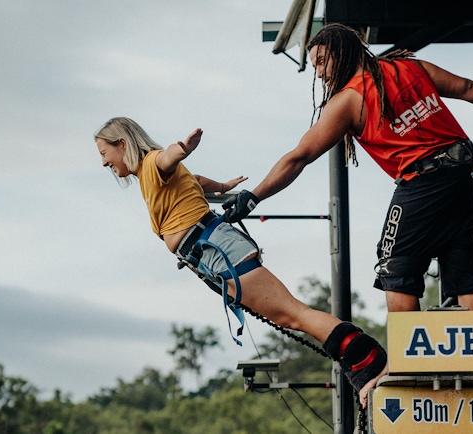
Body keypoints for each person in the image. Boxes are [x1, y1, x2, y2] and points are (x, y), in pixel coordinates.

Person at [95, 116, 387, 406]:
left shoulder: (153, 163)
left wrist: (182, 149)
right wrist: (221, 186)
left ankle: (369, 360)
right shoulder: (151, 177)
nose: (104, 163)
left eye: (104, 154)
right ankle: (363, 361)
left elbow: (168, 158)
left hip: (217, 248)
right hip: (212, 253)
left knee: (292, 314)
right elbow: (194, 180)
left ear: (122, 144)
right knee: (289, 315)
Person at [223, 23, 473, 313]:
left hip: (426, 181)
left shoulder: (348, 99)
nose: (319, 73)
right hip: (467, 173)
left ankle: (406, 357)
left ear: (343, 52)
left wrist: (253, 196)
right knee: (467, 275)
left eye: (321, 62)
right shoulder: (410, 67)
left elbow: (300, 156)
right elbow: (469, 88)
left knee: (395, 269)